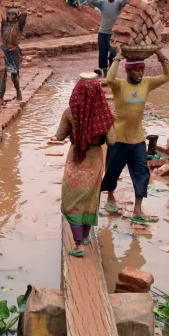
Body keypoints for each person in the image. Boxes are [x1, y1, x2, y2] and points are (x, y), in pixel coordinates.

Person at [101, 47, 169, 223]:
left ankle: (138, 210)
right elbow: (109, 79)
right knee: (112, 171)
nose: (140, 73)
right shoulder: (119, 85)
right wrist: (117, 58)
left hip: (138, 139)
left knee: (142, 173)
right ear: (128, 71)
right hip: (119, 138)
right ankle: (110, 197)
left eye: (142, 70)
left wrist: (160, 55)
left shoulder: (147, 83)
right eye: (136, 70)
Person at [53, 74, 115, 256]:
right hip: (95, 160)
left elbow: (59, 136)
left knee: (70, 199)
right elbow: (112, 141)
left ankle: (78, 244)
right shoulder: (104, 114)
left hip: (76, 159)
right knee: (90, 198)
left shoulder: (70, 112)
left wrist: (76, 132)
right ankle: (85, 236)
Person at [88, 0, 129, 75]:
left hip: (113, 34)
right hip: (102, 32)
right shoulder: (102, 3)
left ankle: (111, 71)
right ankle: (105, 73)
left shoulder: (118, 3)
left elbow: (126, 0)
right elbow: (91, 1)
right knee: (102, 53)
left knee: (113, 53)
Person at [0, 8, 27, 103]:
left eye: (13, 14)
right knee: (3, 74)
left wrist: (18, 14)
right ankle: (1, 97)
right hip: (4, 50)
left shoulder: (19, 24)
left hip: (14, 51)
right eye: (8, 14)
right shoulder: (4, 24)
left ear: (16, 16)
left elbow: (25, 14)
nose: (10, 16)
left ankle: (18, 91)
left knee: (14, 74)